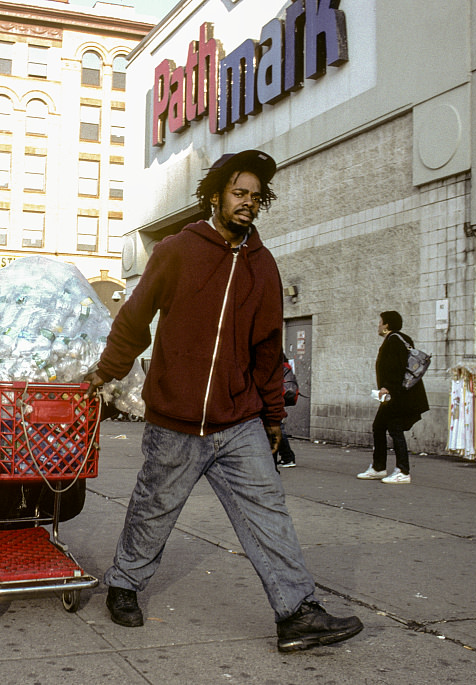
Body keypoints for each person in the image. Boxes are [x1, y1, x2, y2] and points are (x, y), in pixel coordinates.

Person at [85, 150, 362, 652]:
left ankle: (296, 612)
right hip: (175, 419)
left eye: (256, 197)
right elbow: (133, 320)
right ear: (216, 196)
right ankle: (124, 585)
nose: (248, 204)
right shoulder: (176, 250)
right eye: (240, 193)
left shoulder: (263, 266)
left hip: (239, 422)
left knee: (268, 511)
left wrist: (274, 418)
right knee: (154, 508)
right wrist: (104, 375)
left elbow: (268, 349)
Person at [357, 310, 430, 484]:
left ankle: (402, 471)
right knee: (379, 426)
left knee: (394, 428)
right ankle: (378, 467)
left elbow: (396, 367)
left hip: (397, 395)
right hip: (397, 393)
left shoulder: (394, 340)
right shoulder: (400, 339)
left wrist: (387, 388)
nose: (378, 325)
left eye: (380, 322)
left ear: (387, 324)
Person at [276, 354, 297, 468]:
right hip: (278, 399)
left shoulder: (279, 367)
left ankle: (288, 457)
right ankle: (287, 457)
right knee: (277, 427)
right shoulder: (285, 367)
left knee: (277, 428)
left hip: (276, 400)